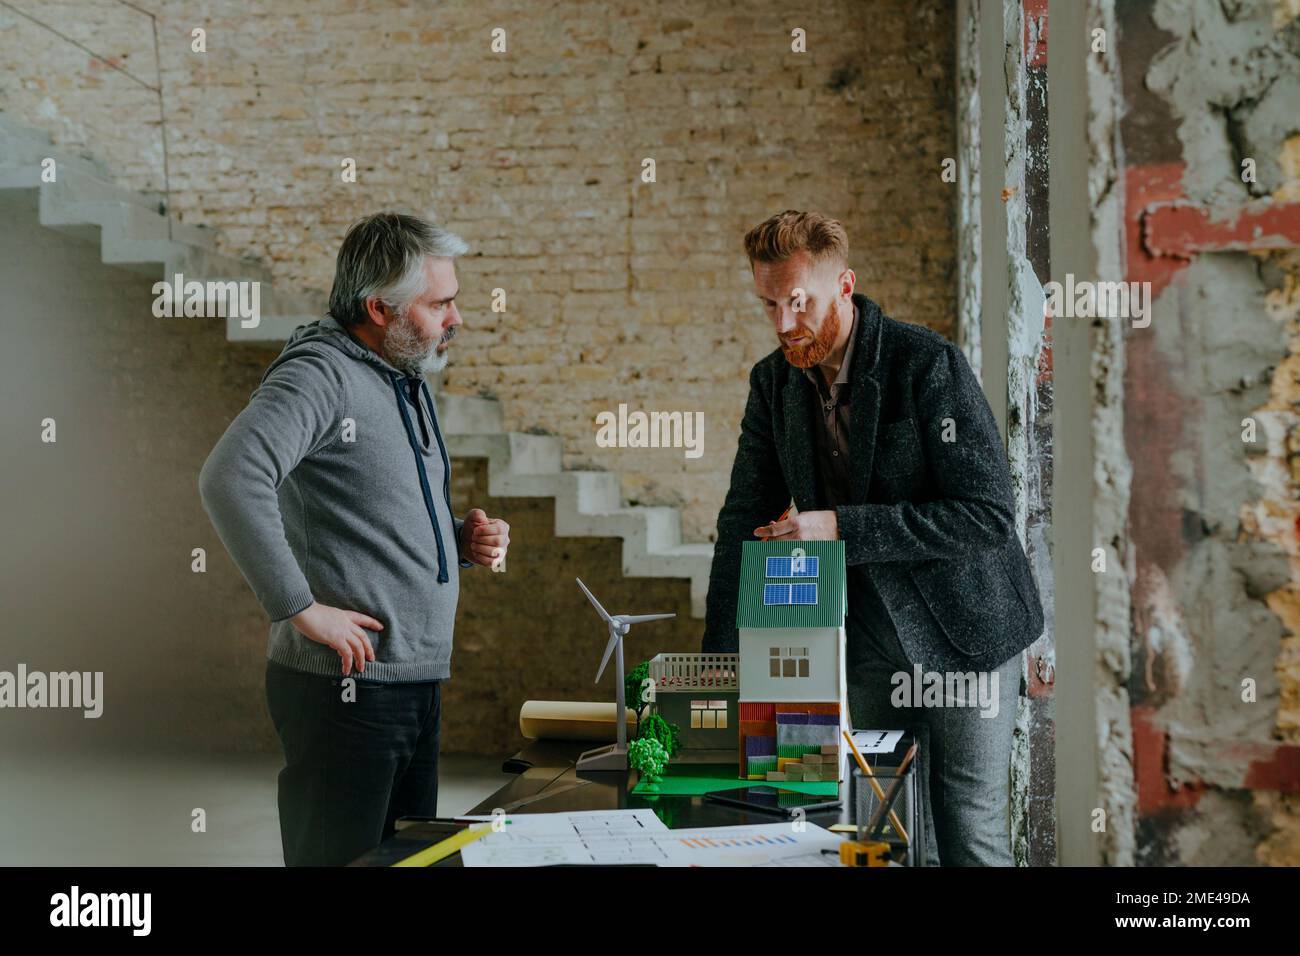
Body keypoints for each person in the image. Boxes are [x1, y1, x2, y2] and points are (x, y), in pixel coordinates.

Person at [701, 210, 1043, 865]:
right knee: (893, 834)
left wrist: (837, 528)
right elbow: (740, 524)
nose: (781, 323)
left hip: (970, 633)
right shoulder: (772, 385)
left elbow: (986, 516)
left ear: (844, 286)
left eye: (797, 302)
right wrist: (719, 668)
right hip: (871, 642)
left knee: (970, 832)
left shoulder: (928, 364)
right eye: (768, 304)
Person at [199, 212, 509, 866]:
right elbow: (231, 477)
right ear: (379, 308)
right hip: (347, 690)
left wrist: (458, 541)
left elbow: (372, 512)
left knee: (409, 863)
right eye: (440, 304)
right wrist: (299, 608)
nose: (457, 318)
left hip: (412, 683)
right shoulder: (321, 374)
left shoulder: (402, 378)